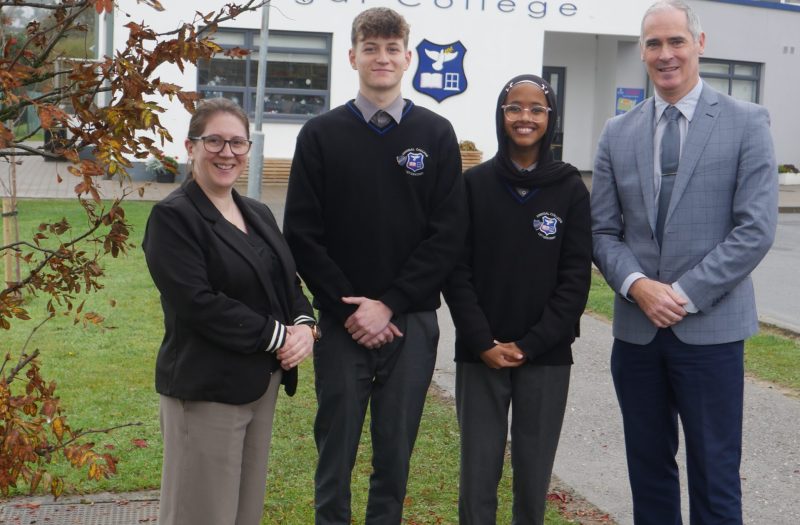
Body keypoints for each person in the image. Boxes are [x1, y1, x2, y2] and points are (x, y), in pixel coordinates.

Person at [590, 1, 778, 523]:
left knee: (715, 473)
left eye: (675, 41)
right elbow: (602, 230)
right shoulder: (616, 133)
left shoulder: (746, 122)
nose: (665, 54)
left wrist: (682, 293)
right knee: (647, 471)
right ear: (643, 52)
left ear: (700, 42)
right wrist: (637, 286)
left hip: (711, 331)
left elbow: (755, 228)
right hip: (637, 332)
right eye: (654, 44)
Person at [283, 7, 467, 524]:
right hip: (343, 326)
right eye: (371, 48)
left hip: (409, 324)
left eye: (392, 49)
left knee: (395, 454)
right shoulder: (320, 135)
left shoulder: (436, 133)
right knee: (334, 451)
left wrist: (389, 304)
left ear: (408, 58)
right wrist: (352, 310)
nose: (381, 58)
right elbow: (302, 233)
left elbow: (448, 235)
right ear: (352, 57)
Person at [142, 98, 318, 525]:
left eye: (237, 143)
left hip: (260, 385)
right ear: (191, 146)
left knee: (242, 513)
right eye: (215, 141)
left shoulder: (255, 211)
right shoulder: (174, 218)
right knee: (200, 514)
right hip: (207, 391)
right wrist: (279, 337)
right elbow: (198, 303)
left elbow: (287, 280)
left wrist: (304, 326)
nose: (227, 152)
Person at [443, 74, 592, 524]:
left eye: (536, 109)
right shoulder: (474, 185)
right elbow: (456, 270)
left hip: (546, 356)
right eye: (514, 107)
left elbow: (575, 279)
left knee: (533, 475)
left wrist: (531, 344)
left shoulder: (569, 188)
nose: (524, 117)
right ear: (500, 115)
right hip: (479, 354)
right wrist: (482, 341)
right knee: (478, 472)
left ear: (551, 118)